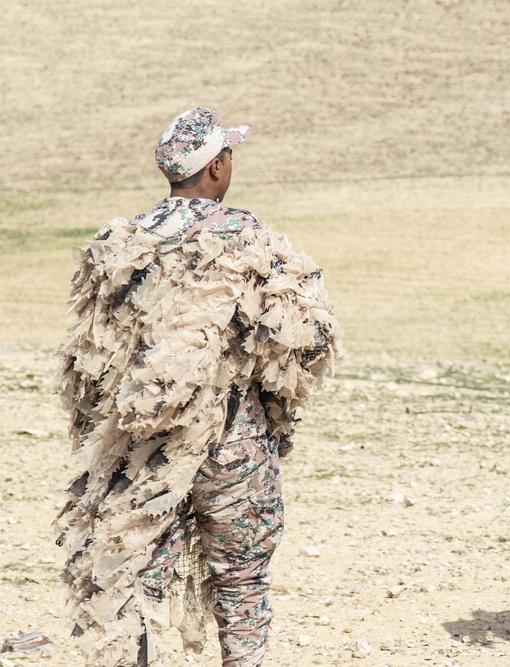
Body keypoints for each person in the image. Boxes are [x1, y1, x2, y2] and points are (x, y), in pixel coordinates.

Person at [55, 107, 343, 667]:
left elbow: (87, 357)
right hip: (231, 438)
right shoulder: (248, 238)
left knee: (124, 574)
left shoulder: (119, 242)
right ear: (214, 169)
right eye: (228, 155)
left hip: (139, 443)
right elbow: (310, 336)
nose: (231, 163)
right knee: (241, 582)